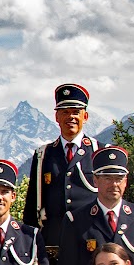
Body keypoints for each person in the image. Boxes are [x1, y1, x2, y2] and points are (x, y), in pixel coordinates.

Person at [22, 83, 100, 253]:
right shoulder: (43, 155)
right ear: (56, 117)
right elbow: (32, 205)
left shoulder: (98, 152)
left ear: (85, 116)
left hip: (90, 243)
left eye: (75, 112)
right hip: (53, 244)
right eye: (65, 112)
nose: (70, 117)